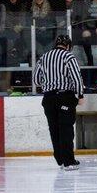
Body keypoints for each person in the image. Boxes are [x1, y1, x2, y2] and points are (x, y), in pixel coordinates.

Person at [33, 35, 84, 171]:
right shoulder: (68, 57)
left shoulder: (44, 57)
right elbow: (76, 77)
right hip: (64, 96)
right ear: (68, 46)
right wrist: (80, 94)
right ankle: (68, 161)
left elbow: (36, 80)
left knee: (54, 129)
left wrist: (49, 83)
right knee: (66, 129)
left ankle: (60, 160)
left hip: (48, 98)